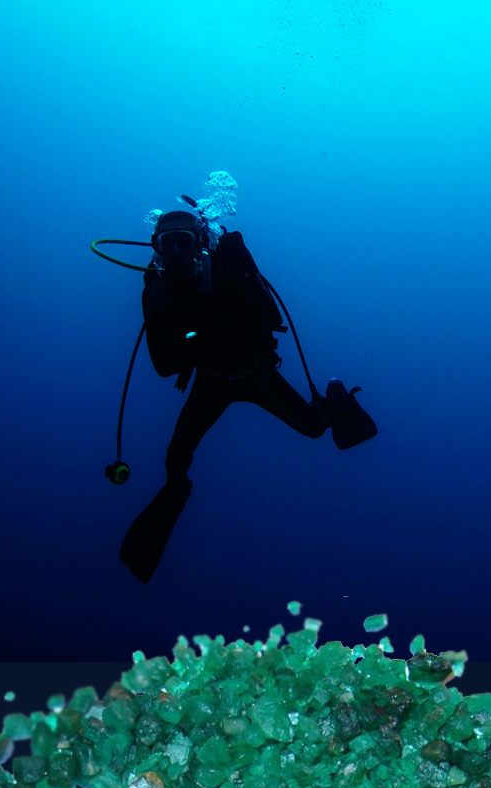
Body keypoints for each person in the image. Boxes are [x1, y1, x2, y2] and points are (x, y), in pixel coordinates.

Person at [120, 210, 377, 582]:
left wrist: (222, 308)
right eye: (167, 243)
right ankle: (174, 499)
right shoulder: (158, 289)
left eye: (185, 241)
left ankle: (337, 399)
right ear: (156, 248)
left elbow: (272, 320)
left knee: (313, 428)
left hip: (254, 372)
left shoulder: (225, 265)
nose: (176, 251)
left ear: (200, 242)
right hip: (210, 380)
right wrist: (185, 328)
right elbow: (163, 366)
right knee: (175, 459)